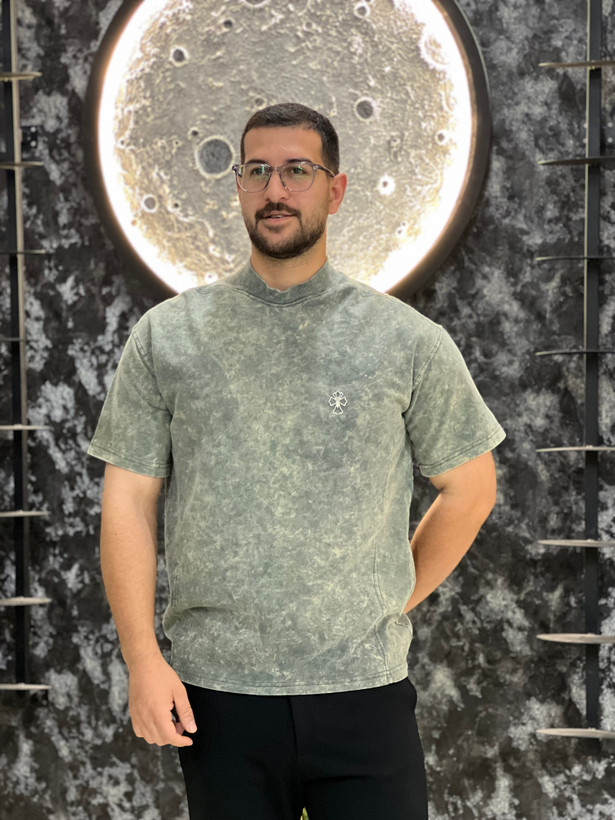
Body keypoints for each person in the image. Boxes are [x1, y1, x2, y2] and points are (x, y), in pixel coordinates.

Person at [88, 102, 505, 820]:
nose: (274, 190)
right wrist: (142, 659)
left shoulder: (405, 341)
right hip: (218, 695)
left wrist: (387, 598)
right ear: (238, 187)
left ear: (335, 190)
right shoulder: (168, 337)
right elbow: (127, 500)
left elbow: (470, 488)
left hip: (363, 691)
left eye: (296, 171)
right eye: (256, 171)